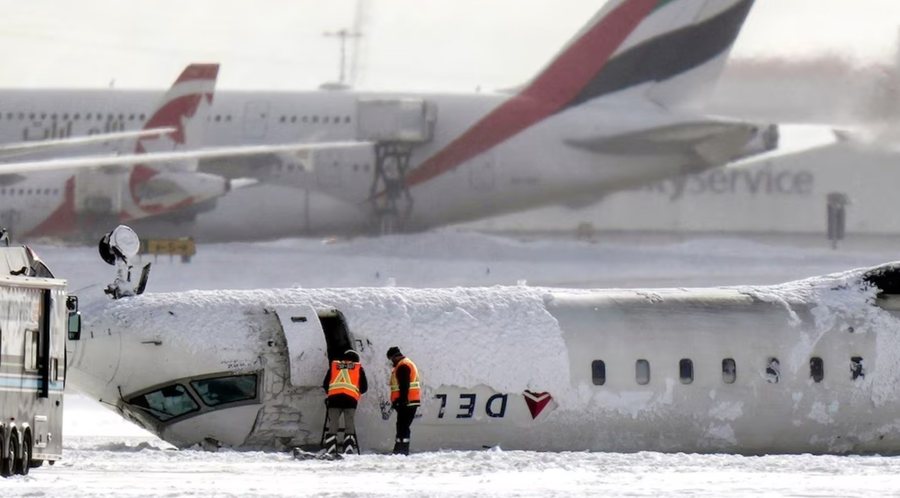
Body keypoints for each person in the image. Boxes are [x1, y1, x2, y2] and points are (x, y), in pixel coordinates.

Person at [322, 349, 368, 455]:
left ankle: (331, 448)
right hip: (350, 400)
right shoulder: (358, 369)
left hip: (334, 399)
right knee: (349, 424)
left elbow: (325, 384)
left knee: (333, 424)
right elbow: (364, 387)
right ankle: (348, 448)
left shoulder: (334, 367)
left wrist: (331, 392)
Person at [387, 346, 421, 455]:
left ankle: (401, 450)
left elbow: (404, 385)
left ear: (394, 357)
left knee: (402, 426)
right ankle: (400, 449)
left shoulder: (402, 366)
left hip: (406, 402)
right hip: (410, 401)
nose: (392, 362)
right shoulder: (407, 363)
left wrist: (401, 400)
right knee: (403, 426)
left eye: (391, 359)